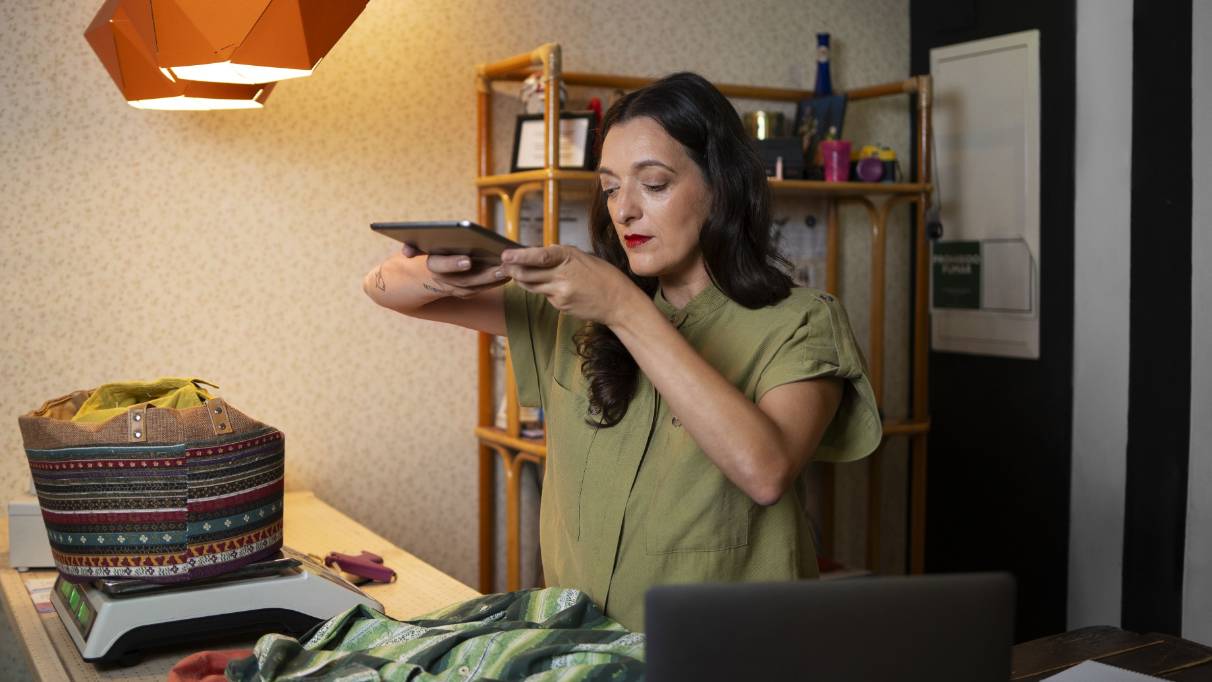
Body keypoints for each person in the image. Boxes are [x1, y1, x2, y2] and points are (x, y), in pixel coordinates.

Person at [363, 72, 881, 632]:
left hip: (727, 655)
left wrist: (624, 310)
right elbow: (383, 287)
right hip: (580, 649)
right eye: (611, 188)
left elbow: (765, 470)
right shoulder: (570, 307)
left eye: (653, 184)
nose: (624, 210)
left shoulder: (802, 321)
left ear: (722, 186)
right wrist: (450, 273)